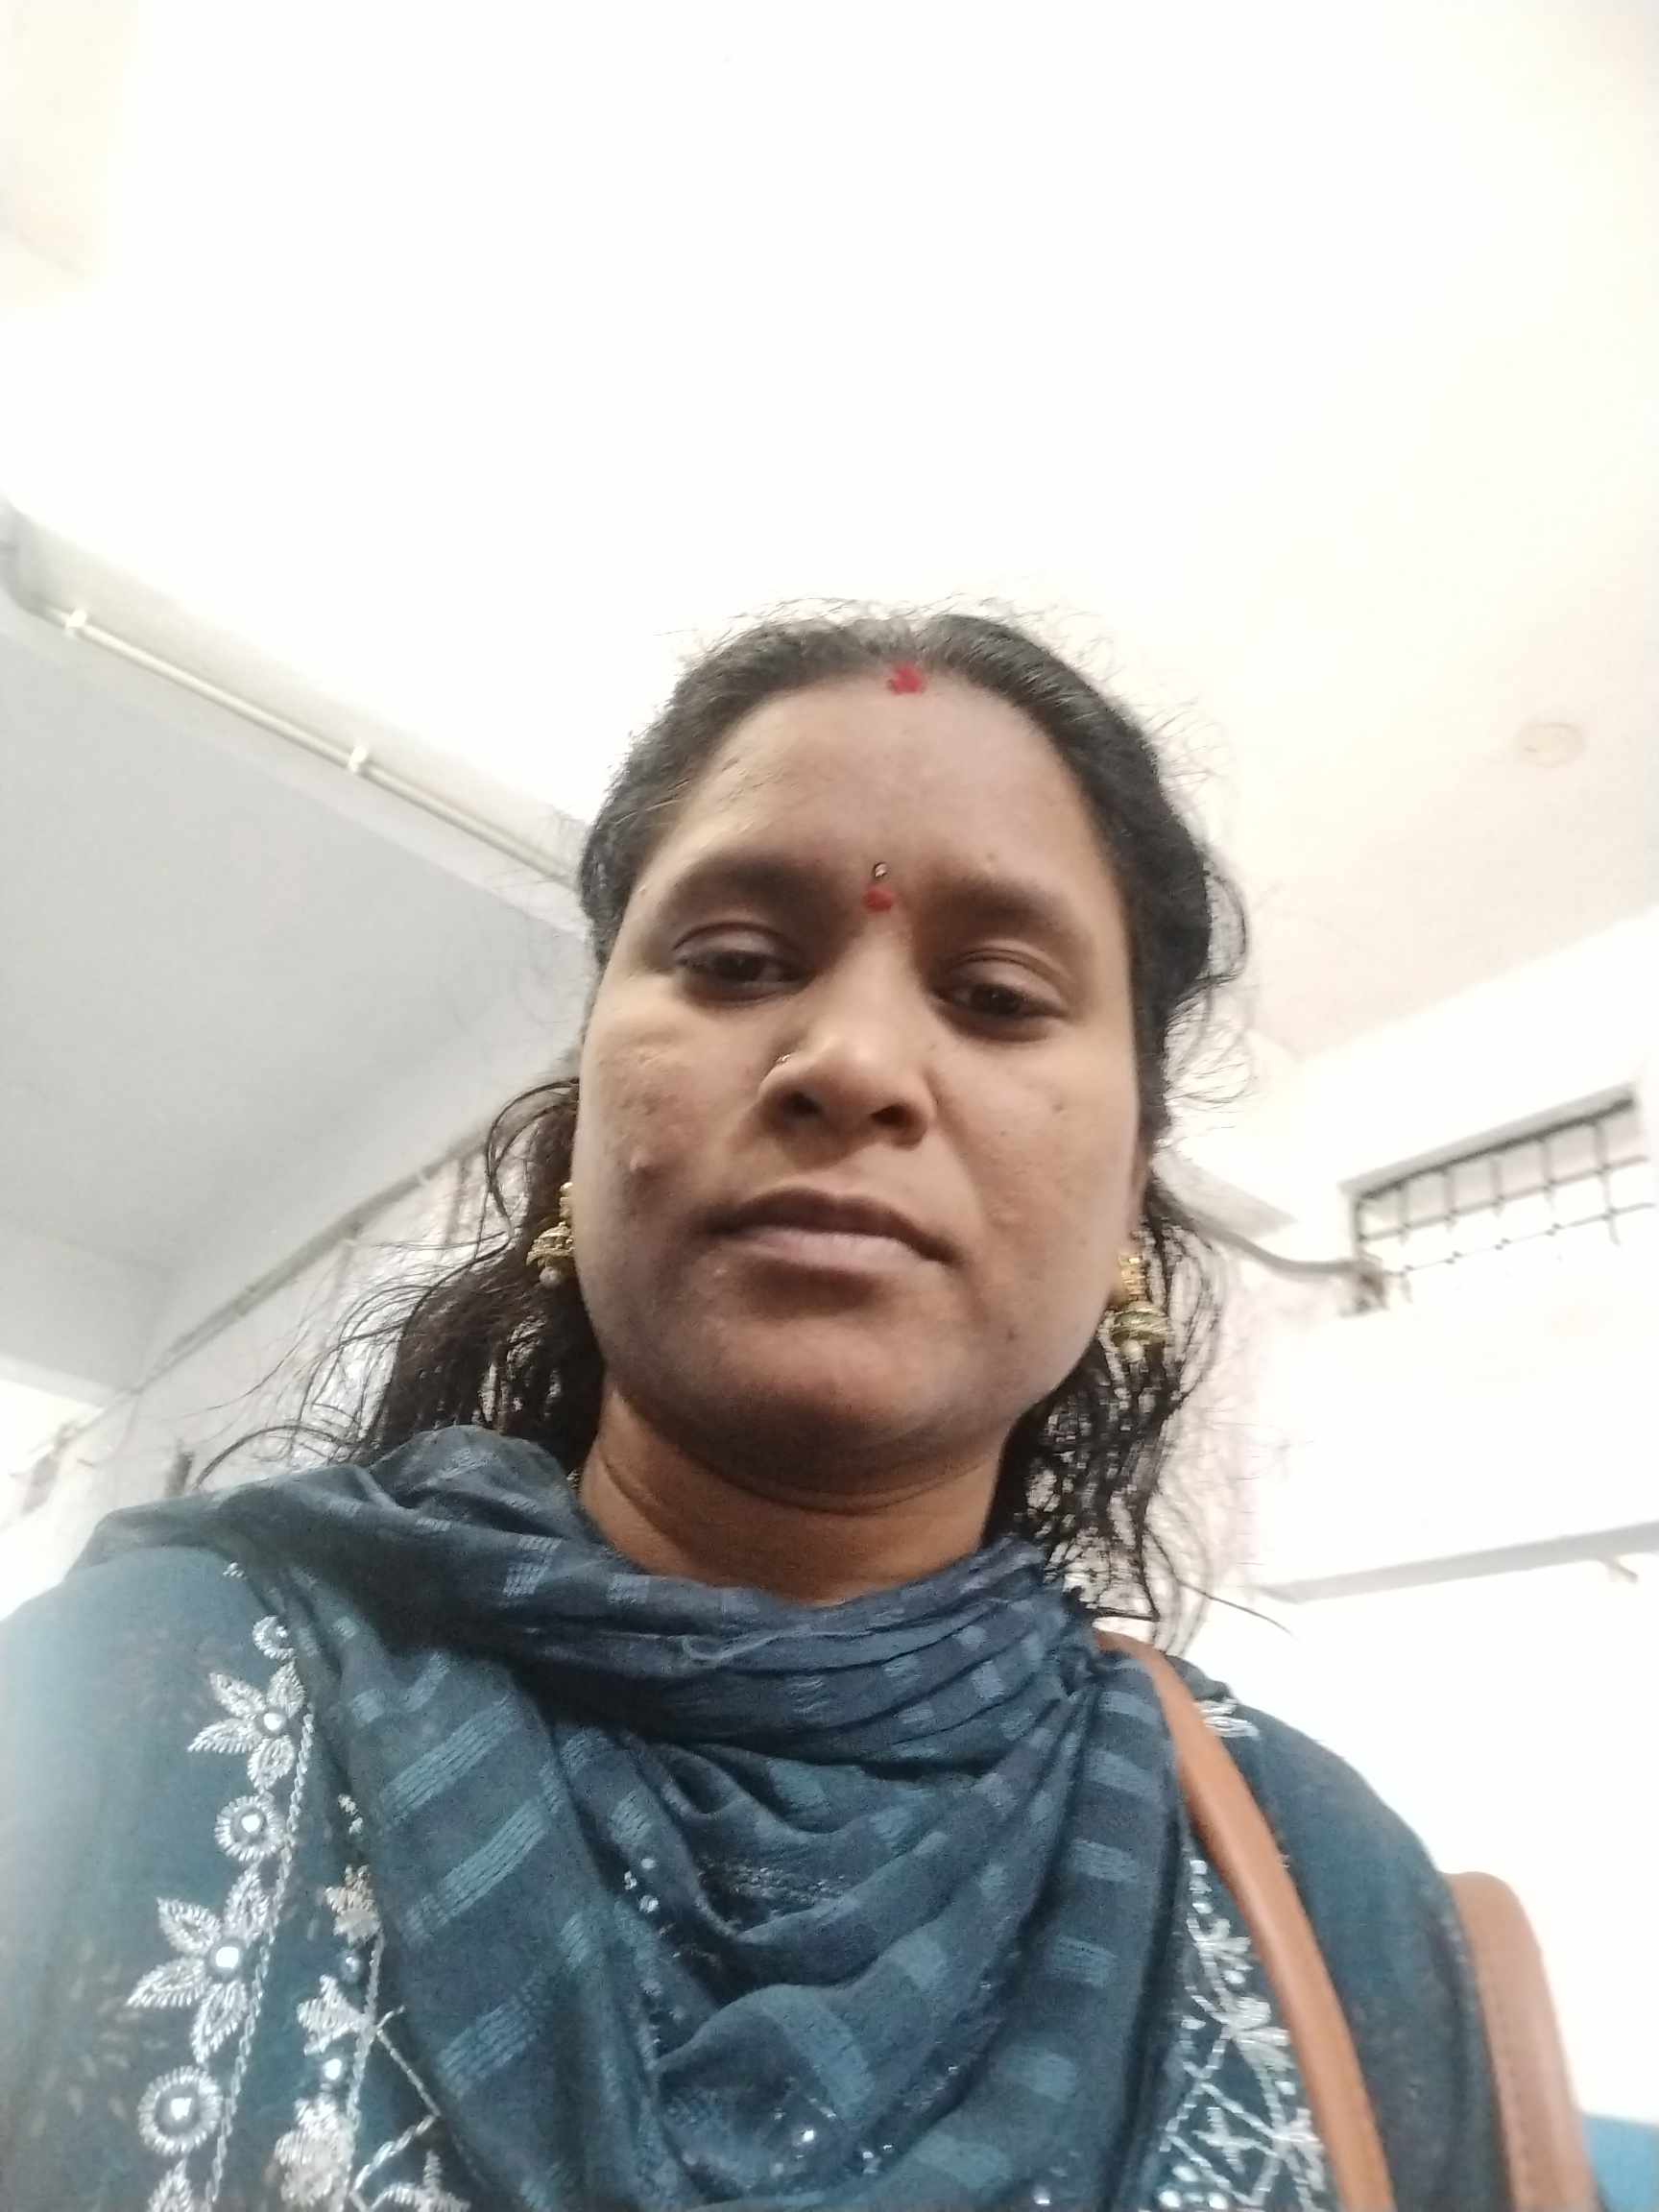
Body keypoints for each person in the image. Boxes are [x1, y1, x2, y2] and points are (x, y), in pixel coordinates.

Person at [0, 613, 1504, 2211]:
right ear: (581, 1117)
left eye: (996, 994)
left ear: (1132, 1191)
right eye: (734, 963)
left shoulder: (1328, 1895)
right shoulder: (121, 1702)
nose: (850, 1062)